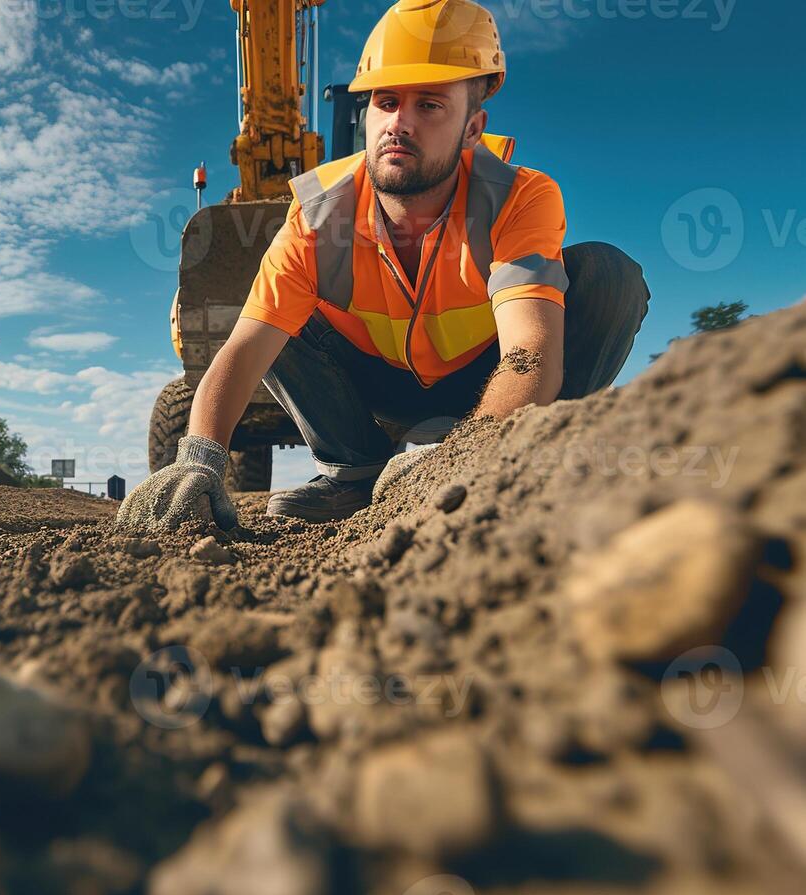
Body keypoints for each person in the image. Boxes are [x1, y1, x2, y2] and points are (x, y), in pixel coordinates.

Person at [117, 0, 649, 532]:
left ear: (472, 127)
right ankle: (355, 474)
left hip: (485, 385)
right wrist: (200, 457)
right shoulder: (318, 213)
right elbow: (246, 347)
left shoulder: (517, 198)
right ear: (366, 111)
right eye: (387, 101)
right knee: (272, 315)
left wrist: (464, 453)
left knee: (610, 277)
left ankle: (519, 471)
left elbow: (530, 355)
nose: (400, 123)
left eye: (430, 105)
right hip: (375, 388)